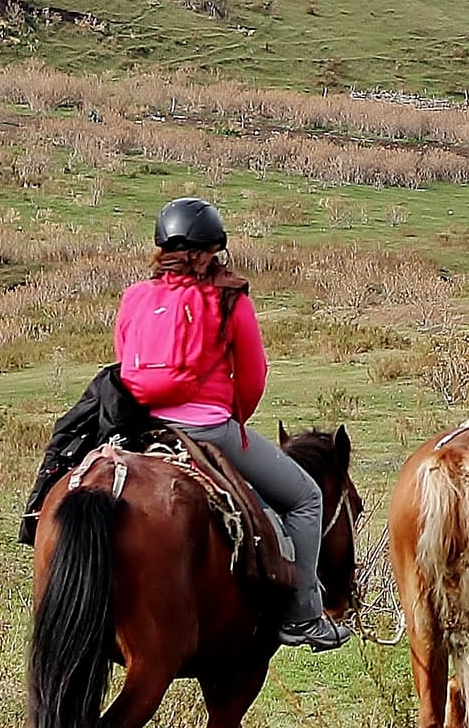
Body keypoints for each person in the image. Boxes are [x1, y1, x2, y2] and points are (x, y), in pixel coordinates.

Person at [114, 197, 346, 649]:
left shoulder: (136, 297)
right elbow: (254, 376)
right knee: (306, 497)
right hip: (208, 428)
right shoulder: (227, 298)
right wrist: (232, 420)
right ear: (211, 250)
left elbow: (126, 361)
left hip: (144, 428)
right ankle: (302, 616)